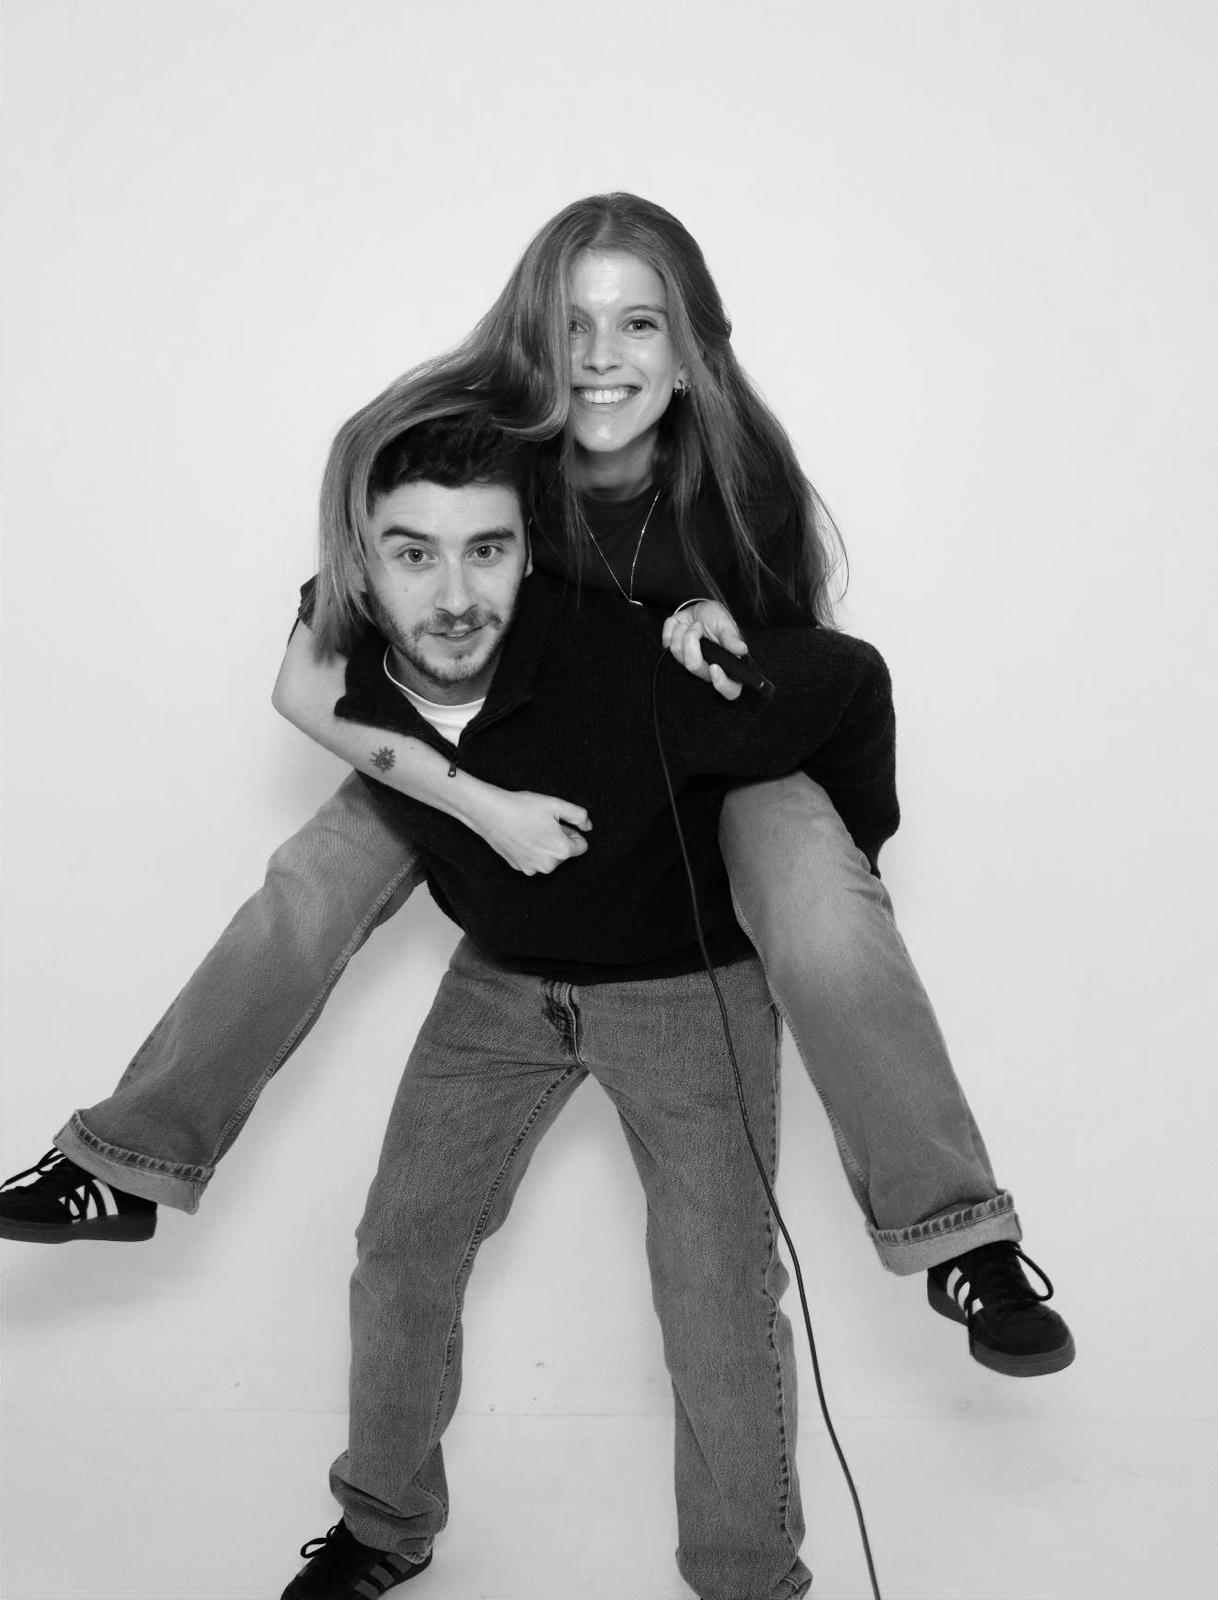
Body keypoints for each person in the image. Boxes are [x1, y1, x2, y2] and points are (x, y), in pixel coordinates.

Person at [0, 192, 1072, 1380]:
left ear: (689, 352)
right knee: (315, 874)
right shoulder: (480, 456)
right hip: (493, 756)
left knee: (821, 899)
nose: (601, 356)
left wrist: (712, 619)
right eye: (572, 325)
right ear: (531, 340)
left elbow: (778, 686)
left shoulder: (743, 482)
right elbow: (307, 686)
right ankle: (125, 1164)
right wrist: (476, 803)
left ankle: (961, 1240)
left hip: (683, 780)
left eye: (638, 324)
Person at [281, 407, 896, 1600]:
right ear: (369, 565)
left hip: (683, 991)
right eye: (413, 554)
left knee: (715, 1301)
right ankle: (384, 1523)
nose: (451, 591)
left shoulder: (634, 656)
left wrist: (831, 874)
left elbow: (847, 681)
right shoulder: (379, 664)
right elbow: (307, 682)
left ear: (533, 551)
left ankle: (747, 1579)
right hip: (500, 986)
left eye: (486, 550)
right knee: (401, 1247)